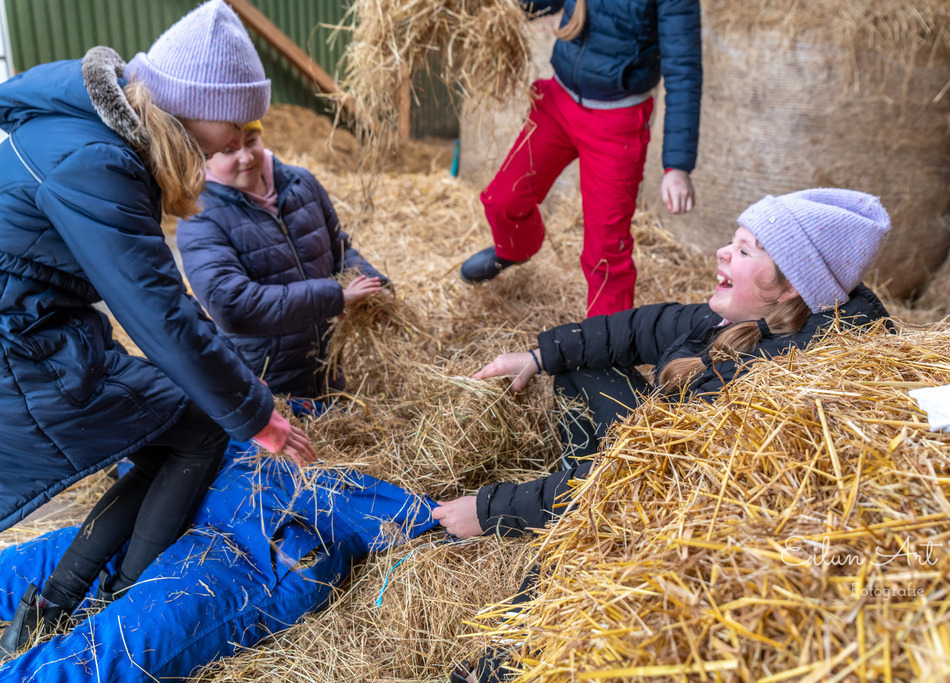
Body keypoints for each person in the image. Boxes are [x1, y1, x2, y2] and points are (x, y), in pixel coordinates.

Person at [441, 189, 893, 681]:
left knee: (584, 542)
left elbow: (645, 478)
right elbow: (644, 326)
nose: (723, 252)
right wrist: (537, 358)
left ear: (789, 286)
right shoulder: (755, 316)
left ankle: (503, 667)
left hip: (697, 520)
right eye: (733, 242)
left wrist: (491, 510)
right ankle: (574, 487)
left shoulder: (770, 381)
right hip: (662, 465)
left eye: (744, 251)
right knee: (580, 369)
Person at [0, 0, 316, 657]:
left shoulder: (96, 130)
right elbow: (160, 312)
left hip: (39, 327)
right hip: (19, 348)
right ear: (187, 101)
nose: (238, 138)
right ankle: (122, 613)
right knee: (199, 427)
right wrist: (258, 413)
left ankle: (54, 604)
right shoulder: (98, 161)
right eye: (230, 120)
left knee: (168, 426)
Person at [459, 0, 702, 317]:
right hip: (557, 103)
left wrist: (678, 166)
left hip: (617, 123)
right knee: (502, 200)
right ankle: (515, 248)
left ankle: (604, 352)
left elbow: (684, 70)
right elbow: (538, 4)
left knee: (606, 253)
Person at [177, 120, 387, 398]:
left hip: (327, 371)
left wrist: (376, 289)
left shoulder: (302, 184)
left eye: (251, 140)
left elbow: (340, 250)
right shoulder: (199, 216)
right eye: (229, 150)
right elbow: (233, 306)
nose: (246, 156)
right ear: (205, 155)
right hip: (265, 388)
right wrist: (334, 297)